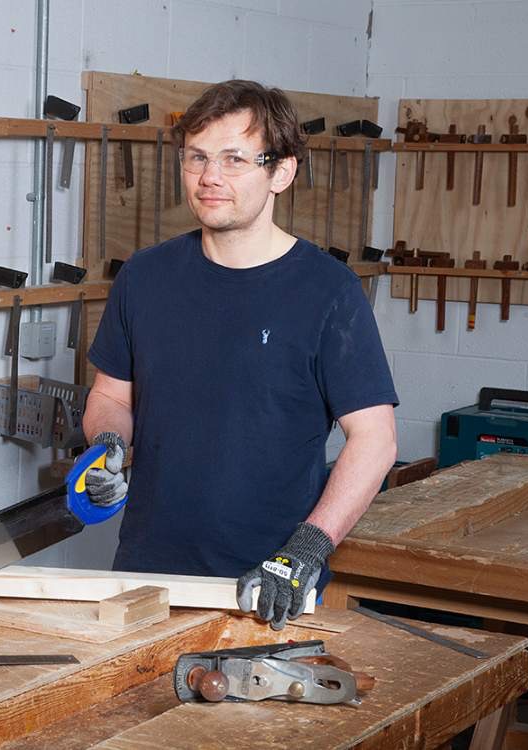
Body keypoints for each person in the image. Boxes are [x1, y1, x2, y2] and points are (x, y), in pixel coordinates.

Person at [80, 80, 398, 630]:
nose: (210, 177)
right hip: (145, 576)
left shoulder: (328, 291)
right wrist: (108, 443)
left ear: (282, 172)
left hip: (268, 587)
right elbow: (110, 395)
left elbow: (376, 441)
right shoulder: (145, 277)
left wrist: (304, 551)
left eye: (234, 159)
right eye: (197, 157)